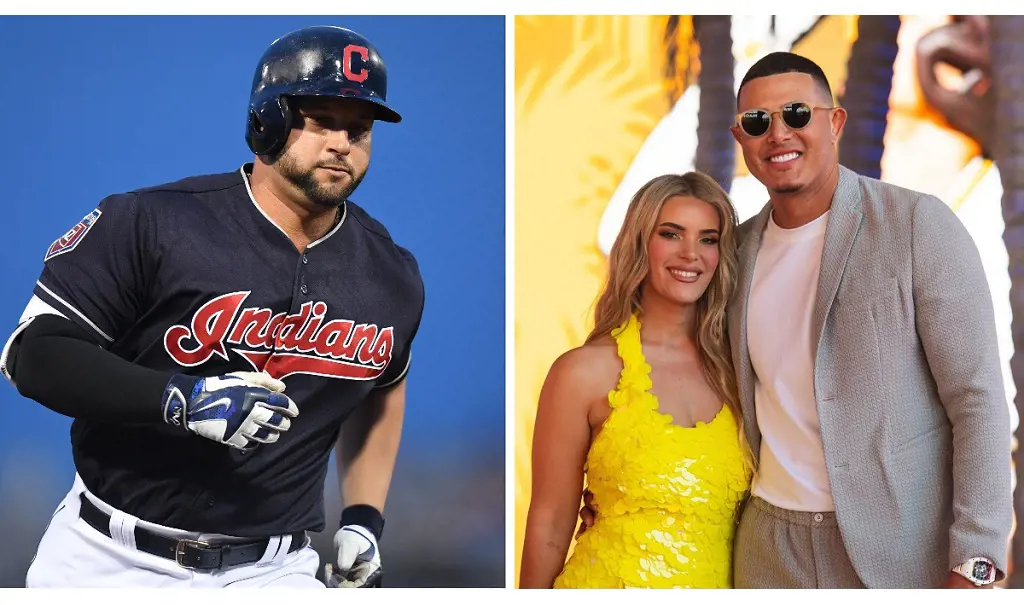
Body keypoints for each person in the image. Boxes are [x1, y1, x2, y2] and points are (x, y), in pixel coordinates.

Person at [1, 25, 425, 588]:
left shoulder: (391, 274)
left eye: (359, 129)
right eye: (322, 121)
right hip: (108, 557)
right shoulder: (152, 222)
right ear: (267, 121)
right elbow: (34, 356)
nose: (342, 143)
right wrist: (181, 399)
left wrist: (364, 517)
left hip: (274, 571)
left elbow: (383, 386)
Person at [578, 51, 1013, 589]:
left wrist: (977, 560)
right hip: (765, 552)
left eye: (797, 114)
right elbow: (673, 364)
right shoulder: (731, 256)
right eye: (759, 122)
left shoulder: (918, 226)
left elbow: (979, 400)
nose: (779, 133)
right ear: (741, 139)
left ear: (835, 121)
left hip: (898, 555)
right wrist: (623, 486)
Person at [519, 172, 755, 589]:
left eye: (708, 239)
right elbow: (550, 525)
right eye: (671, 234)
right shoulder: (582, 372)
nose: (690, 254)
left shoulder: (740, 374)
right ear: (640, 243)